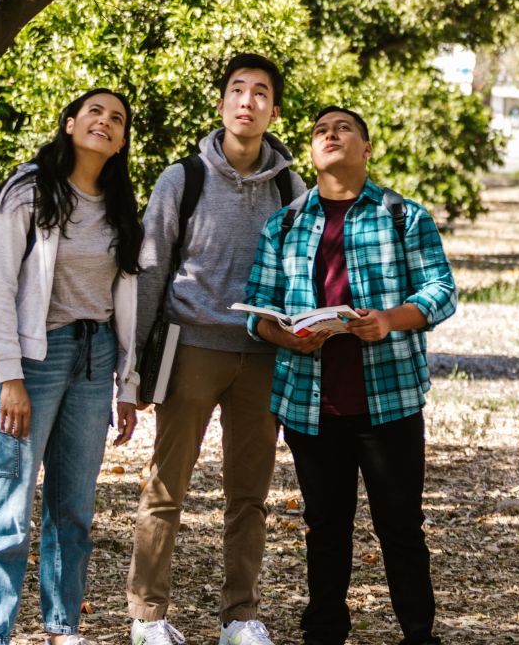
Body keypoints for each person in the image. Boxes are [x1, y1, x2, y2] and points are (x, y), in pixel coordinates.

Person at [244, 106, 457, 645]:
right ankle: (324, 633)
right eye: (320, 131)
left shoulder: (402, 216)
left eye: (343, 129)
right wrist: (284, 334)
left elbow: (441, 291)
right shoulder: (285, 223)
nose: (330, 136)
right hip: (311, 403)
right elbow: (258, 311)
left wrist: (389, 319)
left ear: (366, 149)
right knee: (325, 529)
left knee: (401, 528)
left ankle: (418, 633)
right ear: (312, 153)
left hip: (389, 400)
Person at [127, 54, 305, 645]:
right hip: (190, 347)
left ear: (274, 110)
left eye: (260, 93)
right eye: (237, 90)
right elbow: (151, 271)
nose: (247, 101)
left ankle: (241, 617)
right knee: (166, 487)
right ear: (222, 104)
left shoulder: (290, 185)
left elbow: (302, 273)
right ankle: (147, 617)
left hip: (262, 353)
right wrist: (132, 368)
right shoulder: (184, 178)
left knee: (249, 495)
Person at [0, 89, 143, 645]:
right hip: (34, 360)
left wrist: (127, 383)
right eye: (95, 112)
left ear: (120, 143)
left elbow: (126, 298)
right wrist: (10, 376)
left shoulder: (119, 206)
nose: (105, 122)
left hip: (96, 363)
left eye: (117, 119)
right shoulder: (29, 191)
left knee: (73, 508)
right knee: (9, 504)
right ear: (70, 124)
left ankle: (62, 628)